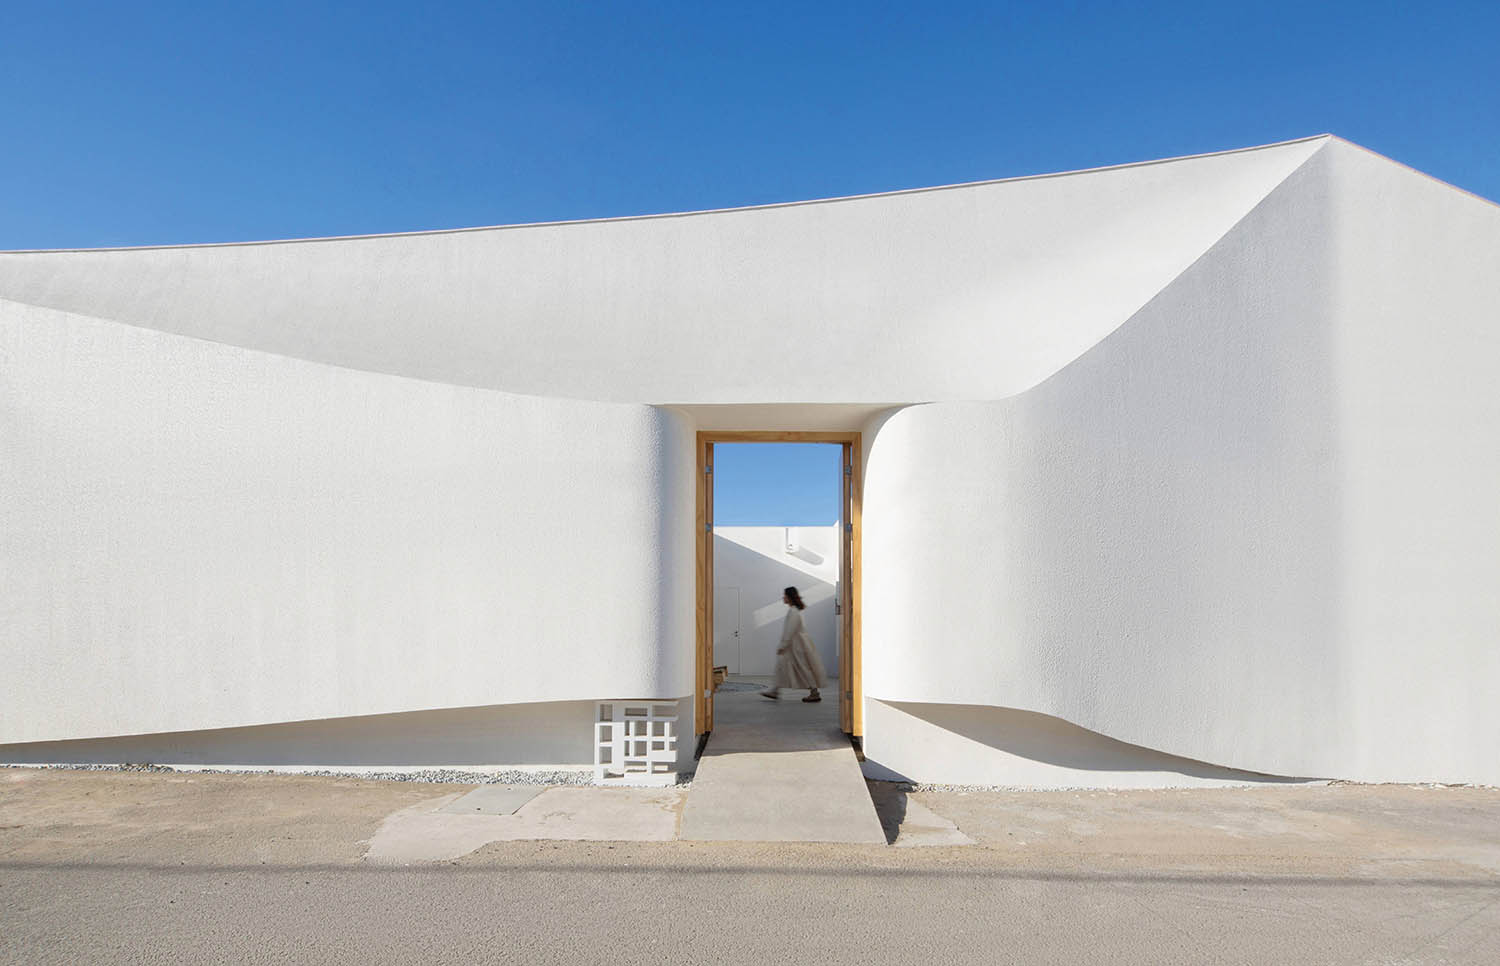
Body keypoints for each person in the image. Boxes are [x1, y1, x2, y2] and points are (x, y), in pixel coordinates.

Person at [761, 586, 828, 702]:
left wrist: (783, 645)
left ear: (789, 597)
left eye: (785, 595)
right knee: (782, 667)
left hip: (795, 646)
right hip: (796, 645)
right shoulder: (795, 610)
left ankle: (814, 692)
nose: (783, 597)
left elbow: (790, 631)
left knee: (802, 668)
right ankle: (775, 690)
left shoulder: (793, 612)